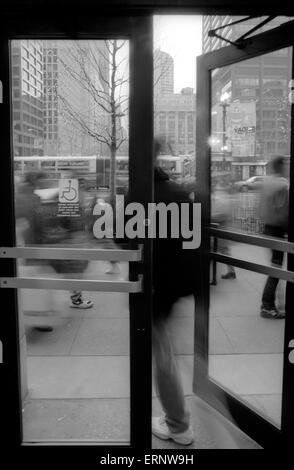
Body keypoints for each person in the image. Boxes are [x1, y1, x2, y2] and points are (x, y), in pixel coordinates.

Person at [151, 138, 197, 445]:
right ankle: (177, 418)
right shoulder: (178, 192)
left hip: (153, 286)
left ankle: (179, 425)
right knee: (165, 350)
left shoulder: (140, 192)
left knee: (163, 354)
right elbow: (190, 239)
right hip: (171, 286)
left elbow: (123, 237)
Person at [259, 156, 289, 319]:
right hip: (277, 230)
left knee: (275, 267)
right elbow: (283, 212)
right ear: (281, 167)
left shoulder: (266, 182)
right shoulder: (282, 184)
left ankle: (275, 303)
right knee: (276, 269)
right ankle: (267, 305)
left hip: (267, 228)